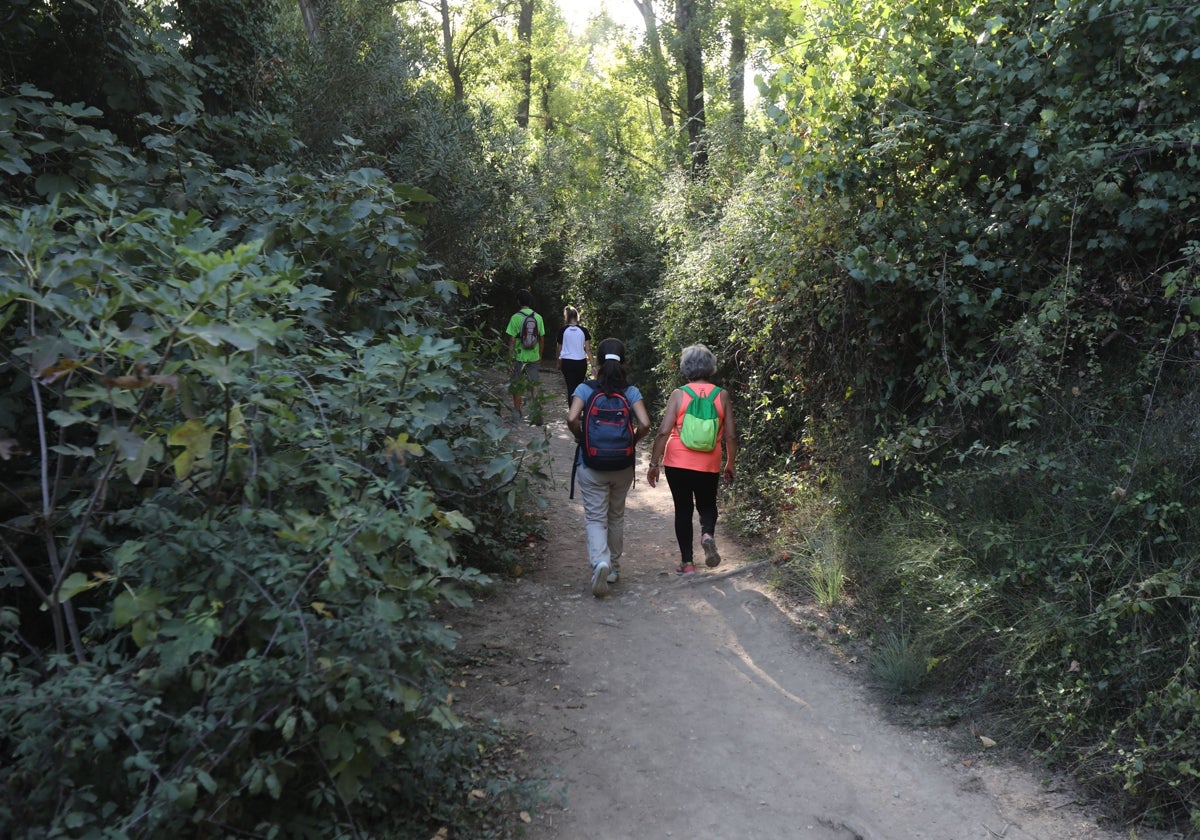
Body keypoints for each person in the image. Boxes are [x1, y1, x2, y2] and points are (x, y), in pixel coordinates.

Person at [567, 338, 652, 597]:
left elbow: (572, 417)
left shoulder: (585, 389)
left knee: (595, 517)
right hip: (622, 465)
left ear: (597, 363)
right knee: (616, 516)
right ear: (624, 362)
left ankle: (600, 562)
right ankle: (613, 568)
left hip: (592, 464)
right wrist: (632, 441)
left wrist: (581, 437)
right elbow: (646, 424)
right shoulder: (631, 391)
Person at [646, 343, 738, 575]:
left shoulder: (679, 394)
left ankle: (687, 563)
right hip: (709, 462)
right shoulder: (722, 395)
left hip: (678, 462)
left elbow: (663, 431)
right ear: (710, 367)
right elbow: (730, 435)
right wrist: (730, 463)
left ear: (686, 368)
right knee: (707, 504)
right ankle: (707, 534)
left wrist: (654, 463)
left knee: (683, 510)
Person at [505, 289, 545, 422]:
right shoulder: (538, 317)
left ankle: (517, 414)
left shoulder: (515, 317)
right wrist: (539, 355)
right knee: (535, 384)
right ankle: (537, 414)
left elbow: (511, 340)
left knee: (517, 385)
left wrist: (510, 359)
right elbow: (542, 339)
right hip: (533, 357)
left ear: (518, 302)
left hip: (518, 358)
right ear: (530, 301)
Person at [556, 305, 595, 407]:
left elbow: (559, 349)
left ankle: (573, 412)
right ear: (577, 316)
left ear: (566, 317)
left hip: (567, 362)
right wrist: (593, 365)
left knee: (570, 387)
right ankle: (579, 410)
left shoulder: (563, 330)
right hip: (581, 362)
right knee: (579, 387)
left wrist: (558, 362)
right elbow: (588, 349)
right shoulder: (584, 330)